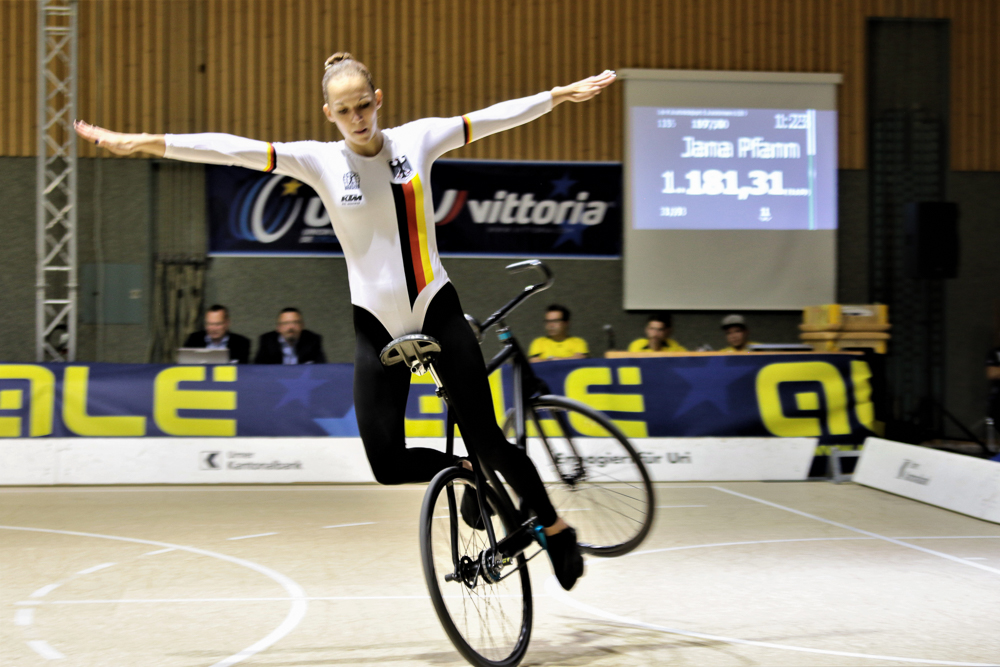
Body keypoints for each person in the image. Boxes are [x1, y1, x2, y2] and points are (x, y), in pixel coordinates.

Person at [74, 54, 615, 591]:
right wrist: (144, 142)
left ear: (377, 100)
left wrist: (556, 96)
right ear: (328, 113)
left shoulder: (418, 140)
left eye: (363, 106)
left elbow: (494, 117)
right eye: (344, 110)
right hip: (375, 326)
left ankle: (554, 527)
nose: (357, 118)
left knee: (489, 439)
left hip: (436, 308)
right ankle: (469, 474)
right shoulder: (318, 162)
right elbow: (229, 148)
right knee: (386, 463)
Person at [254, 307, 327, 365]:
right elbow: (258, 368)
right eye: (286, 323)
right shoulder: (267, 341)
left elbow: (321, 368)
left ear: (302, 326)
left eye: (295, 322)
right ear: (278, 328)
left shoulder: (312, 340)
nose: (291, 327)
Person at [182, 304, 251, 364]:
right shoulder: (193, 340)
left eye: (218, 324)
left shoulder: (241, 343)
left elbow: (244, 370)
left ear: (227, 323)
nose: (213, 328)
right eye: (210, 324)